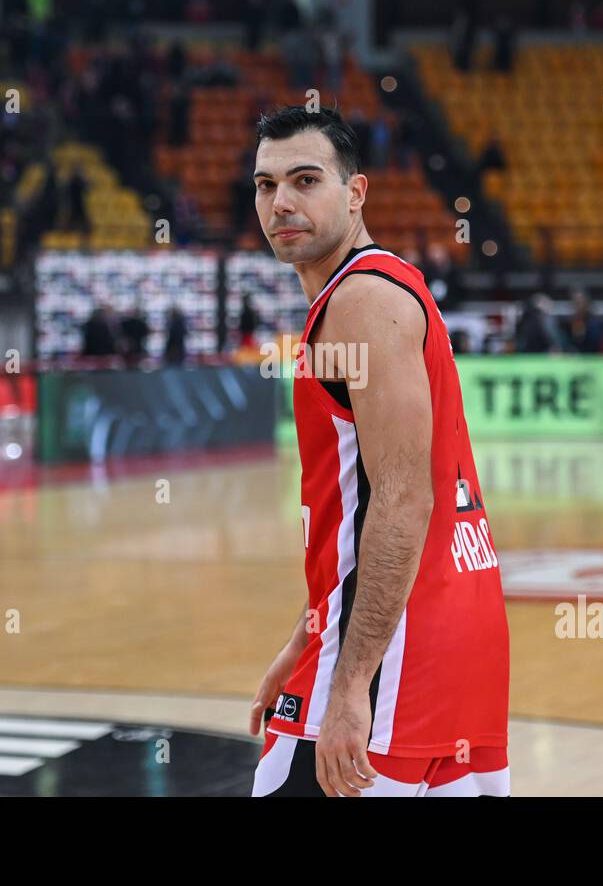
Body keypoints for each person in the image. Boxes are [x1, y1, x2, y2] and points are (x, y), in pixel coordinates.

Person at [248, 106, 509, 798]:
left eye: (306, 180)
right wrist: (306, 640)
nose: (282, 203)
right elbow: (366, 506)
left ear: (356, 192)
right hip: (448, 636)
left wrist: (348, 682)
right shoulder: (381, 286)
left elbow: (404, 496)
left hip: (396, 659)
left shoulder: (361, 301)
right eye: (265, 184)